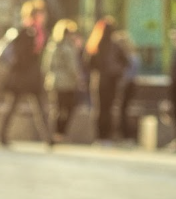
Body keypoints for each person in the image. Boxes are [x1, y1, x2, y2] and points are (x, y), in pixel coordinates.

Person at [0, 0, 54, 148]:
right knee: (13, 105)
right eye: (41, 13)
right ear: (35, 15)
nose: (44, 16)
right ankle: (0, 135)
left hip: (32, 76)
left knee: (40, 107)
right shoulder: (25, 31)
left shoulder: (40, 32)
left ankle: (48, 138)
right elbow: (21, 55)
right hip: (21, 77)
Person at [85, 16, 127, 145]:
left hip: (99, 81)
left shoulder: (95, 44)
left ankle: (100, 136)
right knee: (108, 109)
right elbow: (126, 62)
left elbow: (88, 64)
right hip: (111, 81)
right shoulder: (114, 45)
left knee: (100, 108)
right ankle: (106, 136)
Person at [42, 18, 83, 142]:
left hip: (53, 81)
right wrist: (79, 78)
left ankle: (55, 134)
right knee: (68, 108)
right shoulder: (67, 47)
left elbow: (45, 66)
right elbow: (73, 67)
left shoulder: (51, 45)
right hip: (67, 82)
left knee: (57, 108)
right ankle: (60, 133)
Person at [114, 30, 141, 142]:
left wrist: (121, 83)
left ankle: (126, 135)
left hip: (127, 85)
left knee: (123, 110)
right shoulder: (134, 56)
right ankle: (124, 134)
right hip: (130, 85)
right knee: (123, 109)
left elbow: (128, 74)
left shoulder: (129, 57)